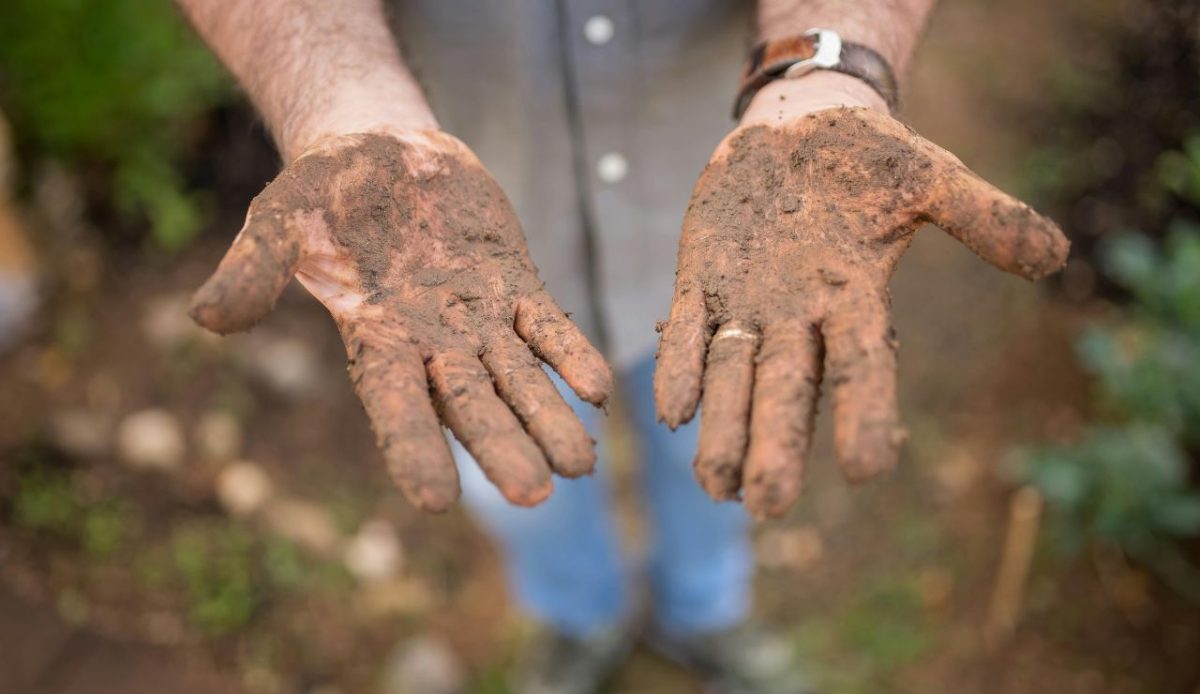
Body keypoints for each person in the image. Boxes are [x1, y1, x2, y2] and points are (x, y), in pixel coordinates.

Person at [176, 1, 1069, 691]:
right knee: (521, 484)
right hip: (448, 251)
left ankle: (705, 613)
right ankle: (581, 621)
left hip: (735, 222)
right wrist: (341, 102)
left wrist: (825, 67)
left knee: (721, 456)